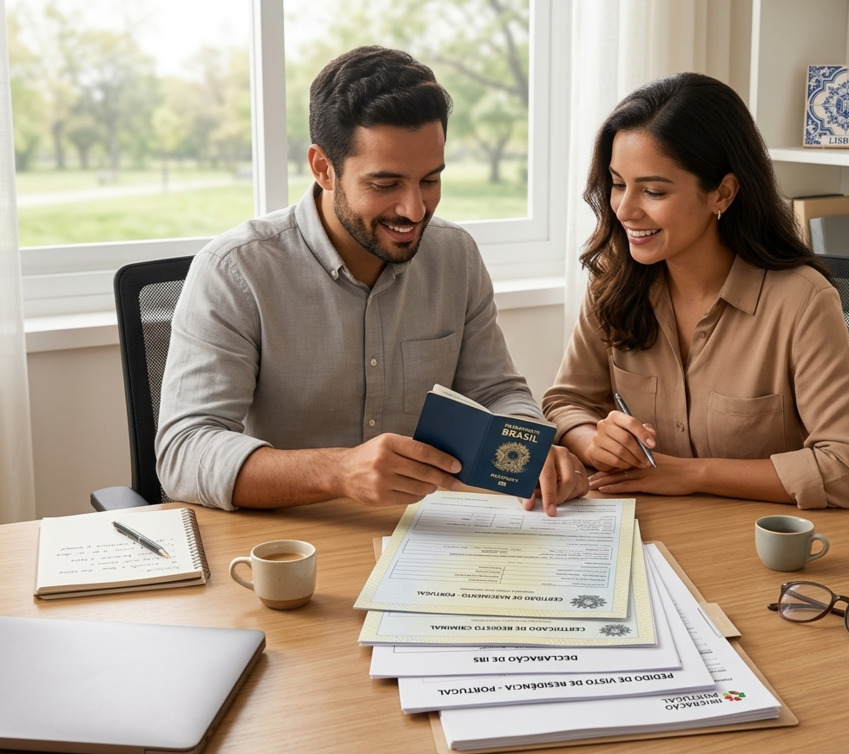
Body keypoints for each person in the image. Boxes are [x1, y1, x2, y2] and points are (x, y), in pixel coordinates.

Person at [155, 46, 587, 515]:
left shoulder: (454, 255)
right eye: (385, 184)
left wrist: (531, 445)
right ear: (324, 168)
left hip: (430, 534)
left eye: (430, 180)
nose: (415, 210)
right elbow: (184, 451)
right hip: (298, 543)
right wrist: (338, 472)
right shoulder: (236, 271)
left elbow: (496, 393)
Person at [542, 73, 849, 510]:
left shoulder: (802, 302)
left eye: (653, 190)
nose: (625, 209)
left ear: (722, 193)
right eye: (617, 183)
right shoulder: (613, 282)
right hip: (645, 535)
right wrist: (593, 443)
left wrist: (687, 475)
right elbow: (565, 401)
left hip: (756, 550)